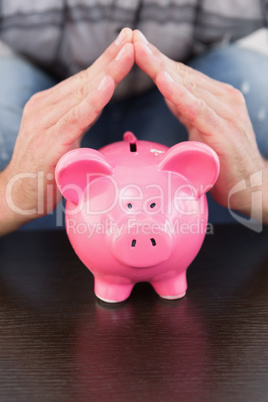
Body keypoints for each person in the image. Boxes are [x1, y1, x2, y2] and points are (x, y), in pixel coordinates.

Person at [0, 1, 268, 236]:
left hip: (176, 111)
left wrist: (257, 185)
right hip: (47, 86)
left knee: (251, 83)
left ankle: (219, 242)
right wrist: (11, 194)